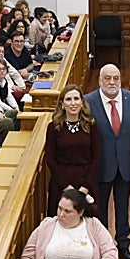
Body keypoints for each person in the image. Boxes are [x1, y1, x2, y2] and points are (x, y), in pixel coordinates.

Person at [85, 65, 130, 259]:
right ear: (100, 80)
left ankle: (123, 245)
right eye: (107, 78)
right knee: (100, 209)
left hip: (125, 164)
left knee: (123, 206)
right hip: (101, 167)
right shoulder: (88, 102)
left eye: (115, 78)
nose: (111, 82)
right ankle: (103, 246)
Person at [44, 84, 101, 213]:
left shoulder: (91, 125)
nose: (73, 103)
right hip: (61, 183)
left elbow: (97, 157)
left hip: (87, 181)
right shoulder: (54, 127)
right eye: (68, 99)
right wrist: (66, 187)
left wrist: (85, 187)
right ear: (62, 104)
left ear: (82, 102)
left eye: (76, 98)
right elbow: (50, 159)